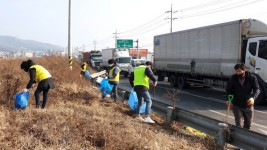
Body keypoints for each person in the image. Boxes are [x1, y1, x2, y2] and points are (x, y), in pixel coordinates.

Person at [226, 63, 260, 129]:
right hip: (237, 104)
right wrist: (228, 100)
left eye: (239, 71)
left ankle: (246, 137)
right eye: (236, 71)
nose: (238, 73)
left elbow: (257, 89)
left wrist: (253, 98)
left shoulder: (252, 78)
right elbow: (229, 90)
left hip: (248, 104)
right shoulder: (233, 78)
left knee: (248, 125)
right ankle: (239, 138)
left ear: (244, 70)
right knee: (238, 125)